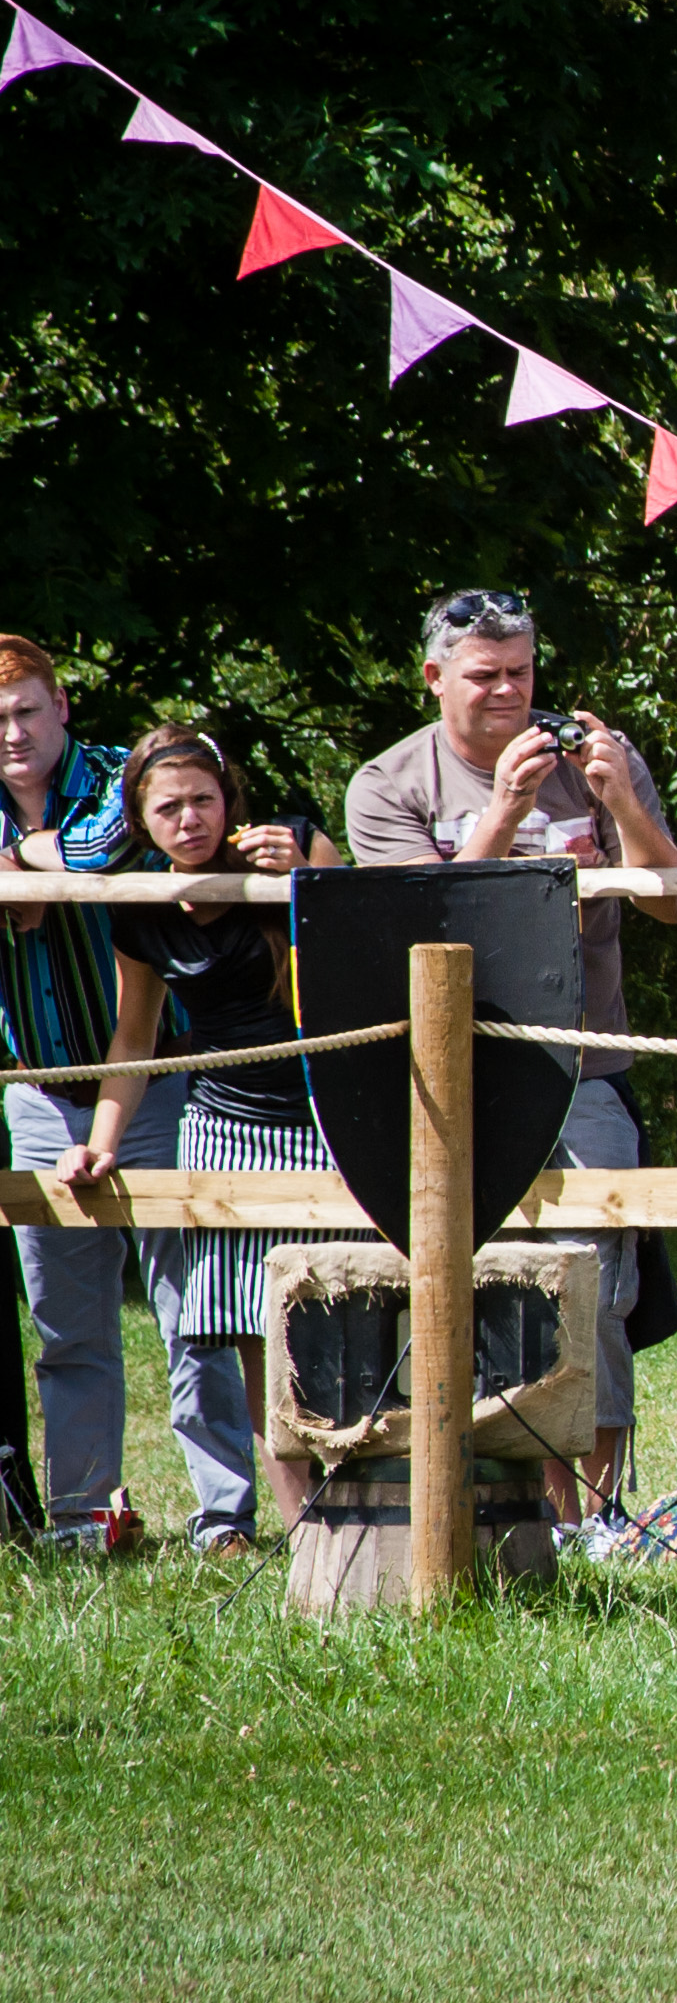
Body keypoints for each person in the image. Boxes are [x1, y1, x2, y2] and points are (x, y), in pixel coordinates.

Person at [345, 589, 677, 1518]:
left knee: (599, 1286)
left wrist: (620, 800)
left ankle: (597, 1516)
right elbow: (418, 928)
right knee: (477, 1278)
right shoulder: (389, 783)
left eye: (522, 672)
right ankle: (500, 1503)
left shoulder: (599, 758)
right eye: (484, 675)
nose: (508, 692)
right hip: (452, 1074)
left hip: (586, 1064)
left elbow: (672, 902)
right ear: (434, 678)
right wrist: (503, 811)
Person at [35, 727, 346, 1540]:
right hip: (223, 1127)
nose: (190, 819)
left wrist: (309, 880)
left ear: (228, 800)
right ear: (140, 820)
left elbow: (370, 949)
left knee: (343, 1320)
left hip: (327, 1117)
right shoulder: (142, 905)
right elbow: (134, 1038)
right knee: (254, 1333)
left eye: (203, 800)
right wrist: (102, 1140)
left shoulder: (294, 848)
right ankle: (306, 1536)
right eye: (168, 807)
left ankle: (369, 1514)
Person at [0, 636, 187, 1541]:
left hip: (162, 1076)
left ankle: (224, 1517)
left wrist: (24, 858)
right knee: (66, 1323)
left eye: (26, 711)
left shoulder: (124, 775)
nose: (12, 733)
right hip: (37, 1090)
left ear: (62, 706)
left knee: (199, 1312)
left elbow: (102, 846)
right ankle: (82, 1514)